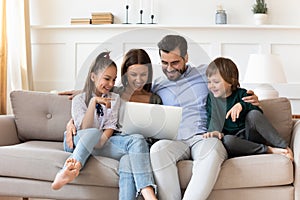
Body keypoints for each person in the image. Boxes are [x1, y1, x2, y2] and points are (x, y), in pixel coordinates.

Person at [149, 35, 259, 200]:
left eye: (175, 63)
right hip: (175, 141)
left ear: (186, 57)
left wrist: (251, 99)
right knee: (158, 150)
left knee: (212, 149)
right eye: (164, 63)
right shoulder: (157, 84)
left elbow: (233, 89)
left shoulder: (205, 72)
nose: (169, 68)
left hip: (204, 137)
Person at [52, 51, 158, 200]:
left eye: (113, 80)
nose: (110, 84)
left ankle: (147, 193)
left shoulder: (116, 97)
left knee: (134, 148)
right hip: (80, 139)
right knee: (94, 133)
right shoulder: (110, 93)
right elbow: (85, 127)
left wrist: (102, 140)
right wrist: (90, 103)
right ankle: (70, 169)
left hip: (104, 141)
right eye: (134, 74)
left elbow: (110, 125)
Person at [203, 57, 293, 161]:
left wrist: (241, 105)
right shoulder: (211, 99)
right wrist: (214, 132)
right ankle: (268, 150)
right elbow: (212, 120)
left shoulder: (242, 94)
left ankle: (284, 148)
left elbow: (258, 113)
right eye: (209, 82)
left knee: (253, 114)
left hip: (251, 136)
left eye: (216, 82)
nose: (211, 86)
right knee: (227, 140)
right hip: (236, 143)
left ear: (231, 81)